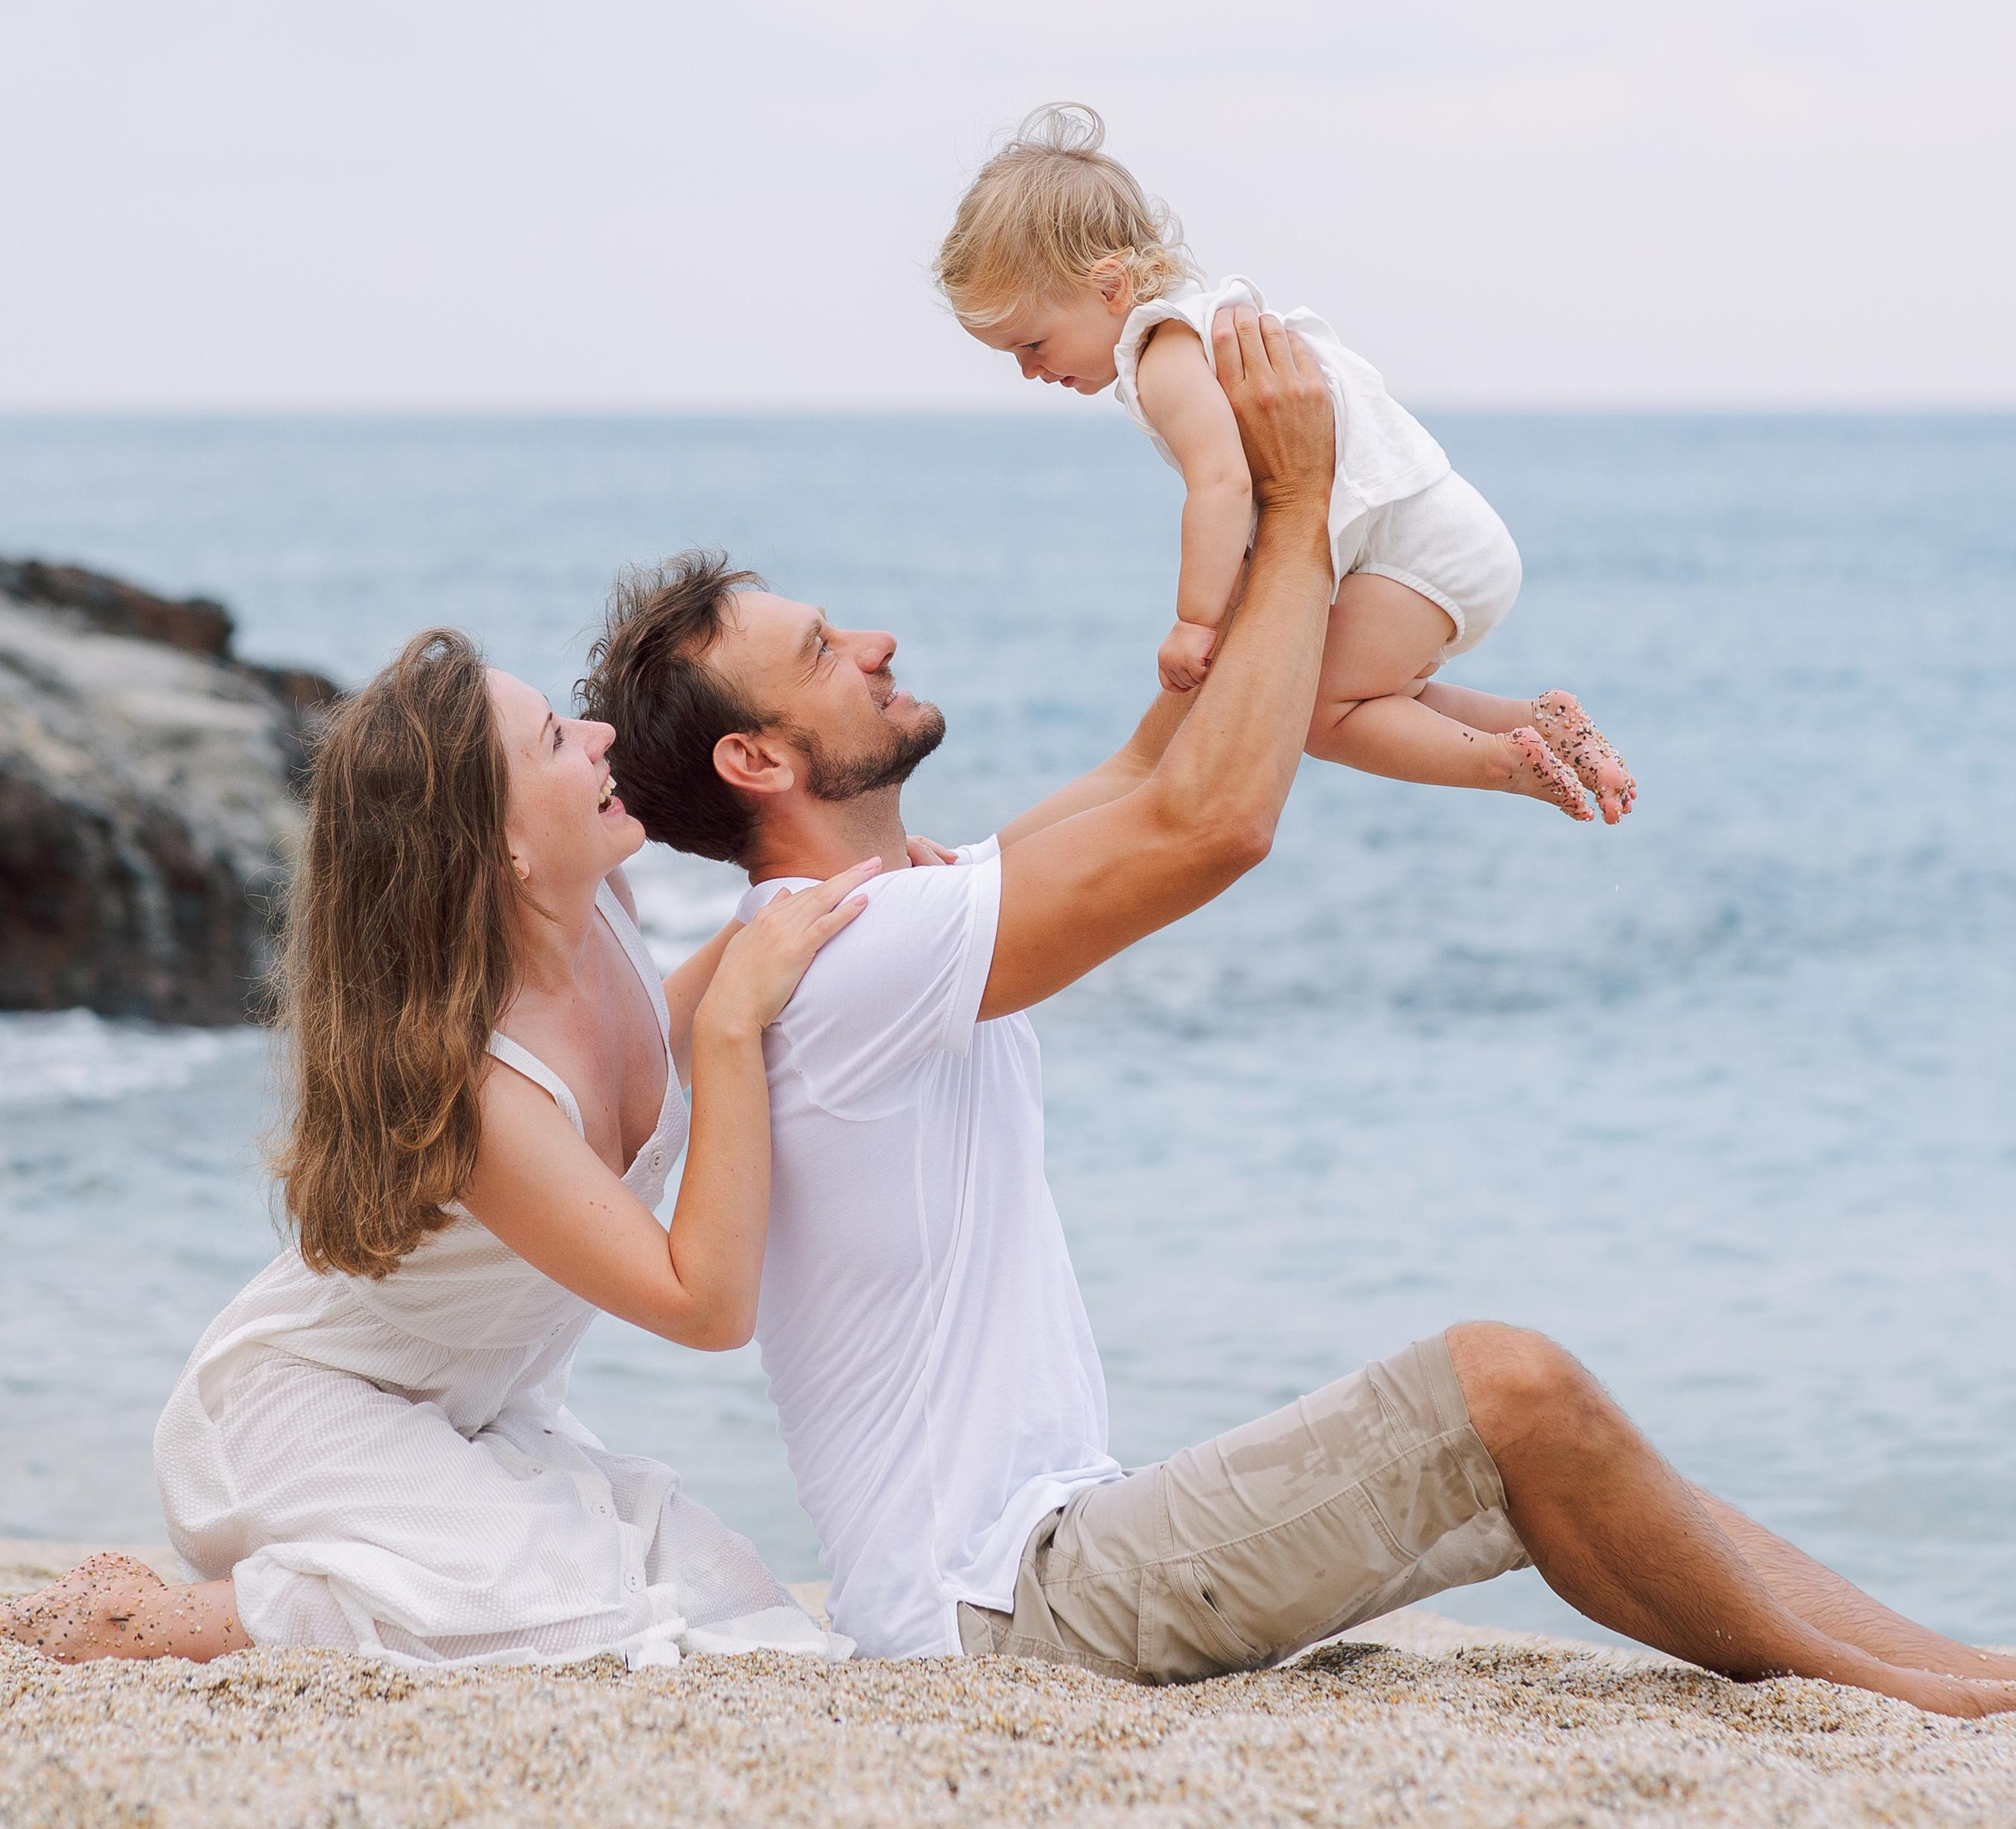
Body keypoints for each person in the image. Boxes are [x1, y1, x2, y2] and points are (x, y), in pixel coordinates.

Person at [578, 308, 2016, 1717]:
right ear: (757, 760)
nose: (878, 640)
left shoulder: (872, 917)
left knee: (1579, 1448)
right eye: (825, 652)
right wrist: (1300, 500)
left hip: (1051, 1554)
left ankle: (1974, 1676)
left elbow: (1156, 773)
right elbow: (1212, 824)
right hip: (1005, 1608)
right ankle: (1907, 1701)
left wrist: (1296, 549)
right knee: (1509, 1384)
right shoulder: (851, 950)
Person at [0, 629, 871, 1668]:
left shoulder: (600, 910)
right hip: (305, 1415)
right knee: (576, 1621)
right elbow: (706, 1307)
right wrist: (733, 1027)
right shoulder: (485, 1095)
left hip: (475, 1415)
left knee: (725, 1595)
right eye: (556, 740)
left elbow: (649, 1045)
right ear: (503, 849)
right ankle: (138, 1616)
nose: (598, 736)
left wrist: (853, 893)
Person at [935, 103, 1634, 825]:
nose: (1028, 370)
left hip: (1419, 556)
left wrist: (1195, 622)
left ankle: (1502, 765)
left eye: (1032, 344)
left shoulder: (1161, 358)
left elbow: (1222, 482)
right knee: (1372, 699)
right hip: (1444, 534)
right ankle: (1542, 724)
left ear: (1110, 287)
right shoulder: (1202, 319)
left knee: (1315, 712)